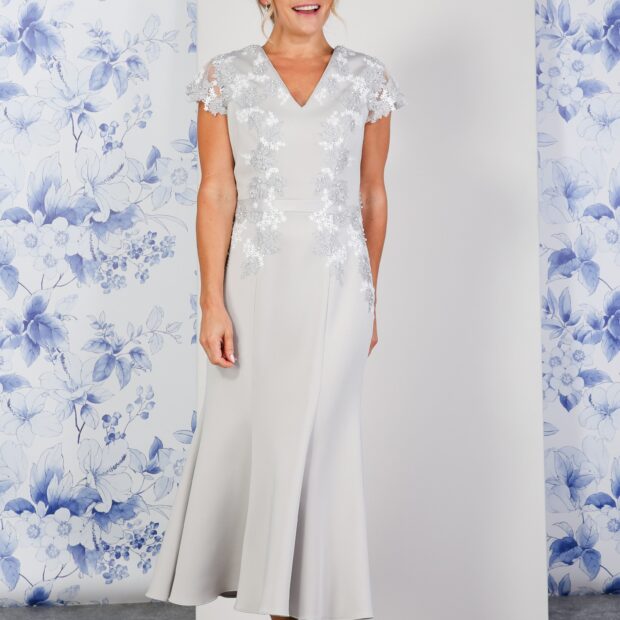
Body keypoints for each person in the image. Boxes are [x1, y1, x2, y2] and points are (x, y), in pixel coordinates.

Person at [145, 1, 405, 619]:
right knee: (265, 444)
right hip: (254, 286)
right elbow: (216, 191)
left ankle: (304, 604)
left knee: (319, 448)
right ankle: (277, 606)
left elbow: (372, 193)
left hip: (339, 287)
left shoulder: (368, 79)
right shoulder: (225, 76)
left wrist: (370, 299)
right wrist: (212, 302)